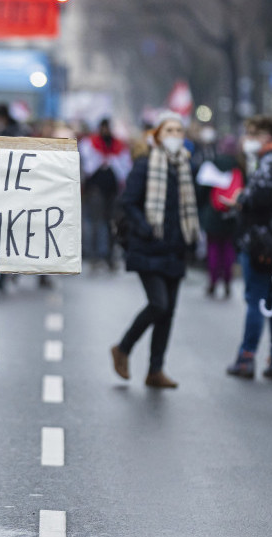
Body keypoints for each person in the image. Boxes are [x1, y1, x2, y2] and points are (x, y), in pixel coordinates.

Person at [109, 111, 198, 389]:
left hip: (175, 248)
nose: (174, 136)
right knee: (158, 304)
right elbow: (128, 202)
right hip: (147, 247)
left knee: (168, 312)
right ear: (157, 135)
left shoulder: (184, 167)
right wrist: (145, 227)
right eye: (169, 131)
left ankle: (155, 369)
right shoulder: (145, 164)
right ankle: (123, 347)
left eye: (179, 131)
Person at [224, 115, 272, 380]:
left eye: (253, 134)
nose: (248, 140)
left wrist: (242, 199)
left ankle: (246, 358)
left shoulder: (270, 161)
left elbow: (261, 197)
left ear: (267, 135)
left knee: (256, 300)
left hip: (259, 241)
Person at [80, 118, 131, 270]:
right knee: (95, 223)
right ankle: (94, 257)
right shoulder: (90, 144)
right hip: (96, 190)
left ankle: (109, 256)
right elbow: (88, 166)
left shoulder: (119, 146)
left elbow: (124, 166)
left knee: (110, 224)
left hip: (112, 191)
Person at [197, 137, 243, 298]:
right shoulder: (238, 165)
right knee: (228, 249)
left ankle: (213, 281)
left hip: (213, 214)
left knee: (213, 249)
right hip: (230, 214)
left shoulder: (211, 163)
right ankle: (227, 281)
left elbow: (201, 192)